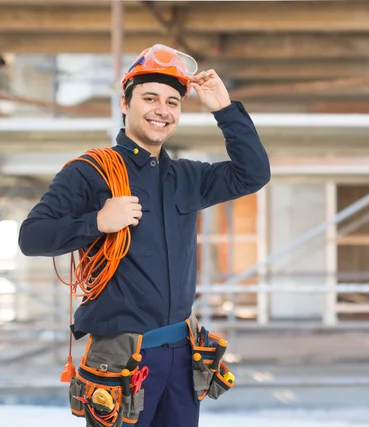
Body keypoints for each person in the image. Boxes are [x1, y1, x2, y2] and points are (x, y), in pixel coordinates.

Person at [18, 44, 270, 427]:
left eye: (172, 102)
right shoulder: (90, 172)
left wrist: (224, 109)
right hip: (121, 359)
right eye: (150, 98)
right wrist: (97, 222)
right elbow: (31, 237)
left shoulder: (189, 177)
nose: (161, 110)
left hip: (183, 355)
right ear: (125, 103)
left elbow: (253, 173)